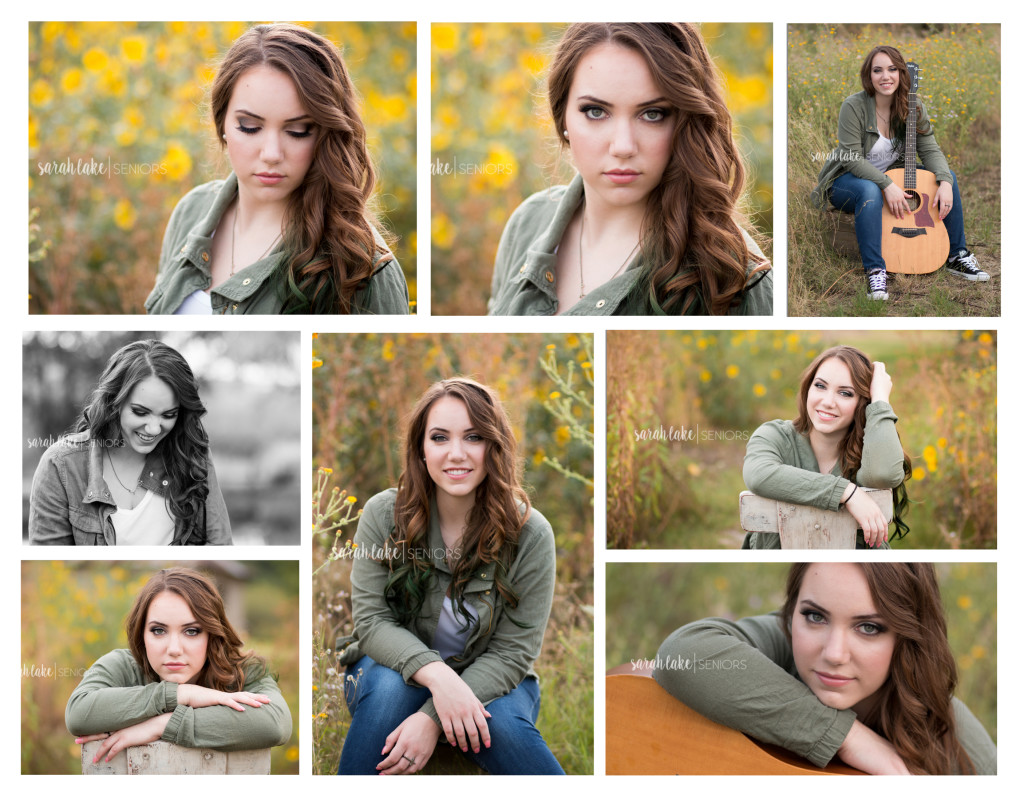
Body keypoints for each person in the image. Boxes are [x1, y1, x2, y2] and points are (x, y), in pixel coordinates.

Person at [336, 378, 564, 774]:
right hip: (391, 670)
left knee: (503, 727)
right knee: (391, 692)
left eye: (473, 437)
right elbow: (372, 622)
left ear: (494, 446)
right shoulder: (383, 515)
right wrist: (440, 679)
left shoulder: (531, 533)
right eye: (439, 438)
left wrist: (431, 719)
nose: (456, 454)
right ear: (420, 449)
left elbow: (513, 653)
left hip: (494, 681)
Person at [488, 23, 771, 316]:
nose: (623, 146)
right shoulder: (527, 222)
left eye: (652, 114)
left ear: (685, 122)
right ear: (563, 118)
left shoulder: (734, 272)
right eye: (596, 112)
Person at [147, 23, 409, 315]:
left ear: (325, 133)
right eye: (250, 127)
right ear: (222, 125)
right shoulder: (190, 212)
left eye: (298, 131)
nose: (271, 154)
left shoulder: (363, 267)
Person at [654, 563, 996, 774]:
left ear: (909, 638)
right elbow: (680, 655)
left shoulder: (950, 733)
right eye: (815, 616)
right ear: (792, 613)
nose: (833, 654)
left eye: (868, 627)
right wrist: (846, 737)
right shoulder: (782, 639)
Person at [811, 45, 989, 300]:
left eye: (892, 69)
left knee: (946, 174)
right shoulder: (854, 106)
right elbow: (852, 159)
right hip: (847, 181)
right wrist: (886, 185)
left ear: (902, 73)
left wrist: (946, 182)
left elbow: (930, 149)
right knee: (869, 189)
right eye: (878, 70)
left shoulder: (913, 108)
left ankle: (956, 256)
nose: (886, 76)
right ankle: (875, 269)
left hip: (893, 177)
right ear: (868, 76)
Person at [66, 568, 292, 763]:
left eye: (191, 631)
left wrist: (163, 725)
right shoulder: (122, 666)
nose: (174, 648)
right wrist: (181, 694)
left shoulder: (243, 672)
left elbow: (276, 724)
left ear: (211, 635)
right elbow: (78, 713)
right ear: (141, 634)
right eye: (158, 630)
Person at [28, 339, 232, 545]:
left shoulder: (192, 453)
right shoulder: (60, 465)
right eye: (140, 412)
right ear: (114, 402)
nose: (154, 428)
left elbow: (220, 543)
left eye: (169, 415)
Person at [742, 345, 911, 549]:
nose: (828, 402)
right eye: (820, 386)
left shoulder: (869, 452)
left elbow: (883, 474)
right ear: (808, 387)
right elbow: (759, 474)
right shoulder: (775, 435)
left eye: (845, 393)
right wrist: (846, 492)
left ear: (863, 402)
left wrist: (880, 399)